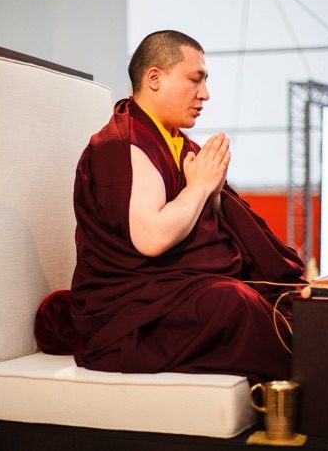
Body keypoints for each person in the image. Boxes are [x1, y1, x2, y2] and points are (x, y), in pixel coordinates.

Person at [66, 30, 305, 383]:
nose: (205, 95)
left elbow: (220, 224)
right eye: (196, 80)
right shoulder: (120, 146)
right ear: (154, 78)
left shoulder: (180, 144)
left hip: (175, 286)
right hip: (130, 307)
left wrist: (214, 193)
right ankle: (309, 387)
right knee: (233, 303)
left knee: (283, 295)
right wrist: (200, 187)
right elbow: (152, 239)